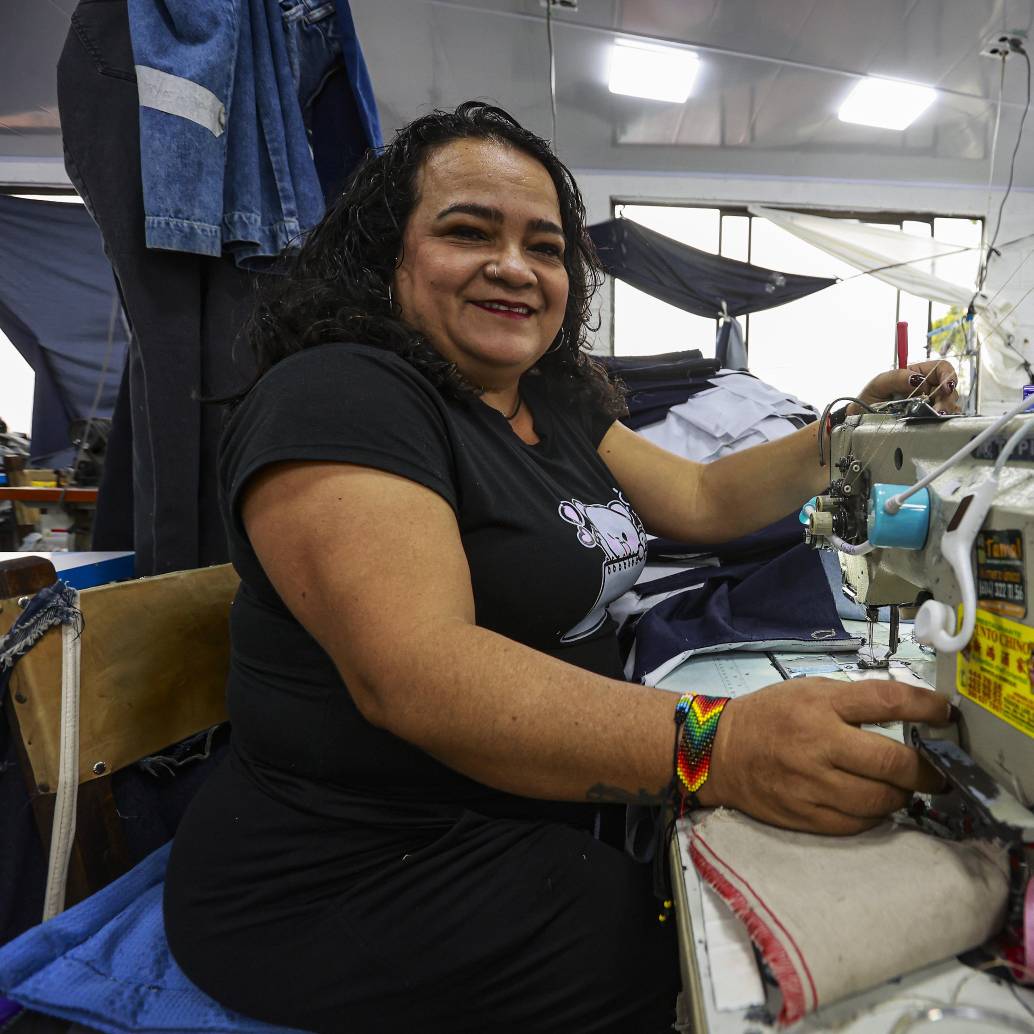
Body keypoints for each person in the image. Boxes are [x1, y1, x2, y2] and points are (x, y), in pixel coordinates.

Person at [163, 102, 960, 1033]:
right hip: (350, 869)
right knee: (724, 959)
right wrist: (721, 747)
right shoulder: (342, 395)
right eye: (468, 232)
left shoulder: (548, 400)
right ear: (386, 258)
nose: (515, 266)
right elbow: (417, 674)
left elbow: (702, 502)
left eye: (545, 246)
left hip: (521, 821)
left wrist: (846, 429)